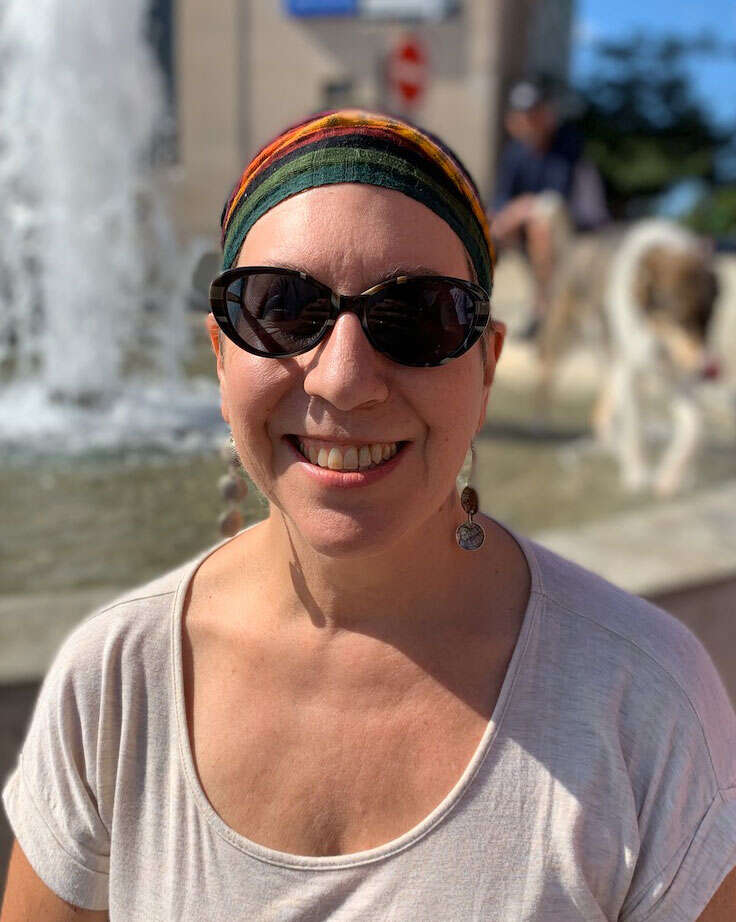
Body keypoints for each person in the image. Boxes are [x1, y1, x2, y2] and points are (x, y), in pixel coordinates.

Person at [2, 109, 736, 921]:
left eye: (416, 316)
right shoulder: (115, 680)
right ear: (221, 356)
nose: (344, 380)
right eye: (283, 307)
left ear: (486, 367)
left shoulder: (643, 702)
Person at [492, 79, 609, 336]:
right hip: (530, 231)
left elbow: (559, 197)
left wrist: (520, 209)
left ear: (548, 114)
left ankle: (543, 309)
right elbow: (501, 201)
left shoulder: (568, 145)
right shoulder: (515, 153)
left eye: (535, 113)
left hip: (580, 230)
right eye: (524, 114)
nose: (530, 120)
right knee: (497, 222)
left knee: (541, 217)